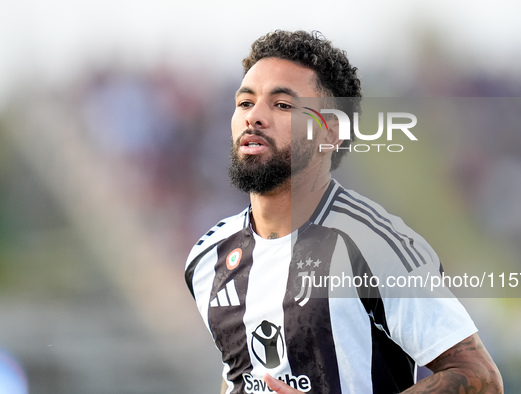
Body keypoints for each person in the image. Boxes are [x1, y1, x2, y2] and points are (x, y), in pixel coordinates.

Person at [185, 30, 503, 394]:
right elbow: (239, 375)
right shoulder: (208, 256)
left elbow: (480, 379)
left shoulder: (373, 245)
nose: (254, 117)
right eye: (245, 102)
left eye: (282, 105)